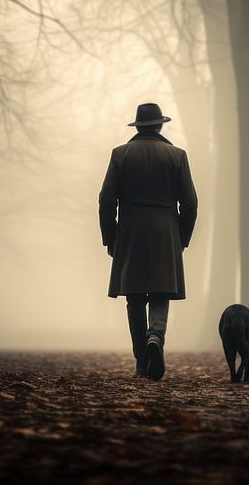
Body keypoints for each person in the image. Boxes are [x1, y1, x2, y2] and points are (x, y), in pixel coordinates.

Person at [98, 103, 197, 380]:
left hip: (130, 232)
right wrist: (181, 238)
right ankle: (156, 336)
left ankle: (142, 363)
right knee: (161, 292)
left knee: (135, 298)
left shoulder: (120, 154)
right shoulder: (177, 156)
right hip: (166, 232)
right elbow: (190, 203)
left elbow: (106, 200)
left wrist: (110, 237)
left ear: (138, 126)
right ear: (160, 125)